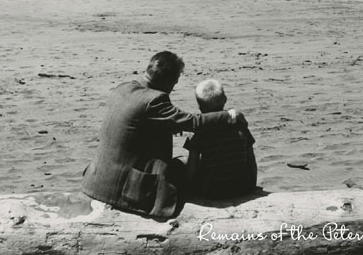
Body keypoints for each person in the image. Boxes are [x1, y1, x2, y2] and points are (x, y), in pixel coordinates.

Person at [81, 51, 242, 219]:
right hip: (122, 190)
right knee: (184, 168)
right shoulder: (155, 100)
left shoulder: (122, 88)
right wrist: (228, 116)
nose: (173, 88)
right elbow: (193, 122)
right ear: (168, 82)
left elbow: (137, 126)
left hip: (95, 180)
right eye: (175, 82)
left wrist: (168, 126)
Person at [184, 79, 257, 199]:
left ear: (199, 106)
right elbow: (251, 160)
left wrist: (191, 190)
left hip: (212, 190)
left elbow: (192, 166)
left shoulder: (200, 132)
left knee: (180, 163)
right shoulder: (239, 125)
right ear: (225, 100)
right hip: (241, 187)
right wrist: (251, 186)